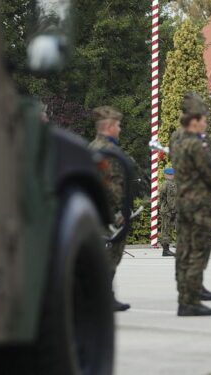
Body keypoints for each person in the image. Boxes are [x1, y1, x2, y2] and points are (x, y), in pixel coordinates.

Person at [170, 93, 211, 317]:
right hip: (199, 204)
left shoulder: (177, 142)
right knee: (198, 251)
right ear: (194, 121)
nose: (206, 123)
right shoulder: (195, 146)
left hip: (184, 202)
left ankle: (184, 296)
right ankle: (191, 301)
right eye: (203, 119)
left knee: (184, 251)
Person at [88, 105, 132, 312]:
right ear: (110, 126)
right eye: (119, 125)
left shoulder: (92, 147)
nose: (120, 129)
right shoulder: (110, 151)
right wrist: (119, 212)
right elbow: (113, 185)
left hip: (93, 210)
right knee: (112, 254)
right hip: (108, 214)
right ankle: (103, 295)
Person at [159, 168, 177, 257]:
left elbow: (162, 198)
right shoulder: (170, 185)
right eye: (172, 174)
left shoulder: (163, 184)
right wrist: (173, 210)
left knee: (166, 229)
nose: (173, 176)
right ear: (168, 175)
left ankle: (166, 249)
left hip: (165, 209)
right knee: (166, 230)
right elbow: (171, 199)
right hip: (169, 211)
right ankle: (165, 251)